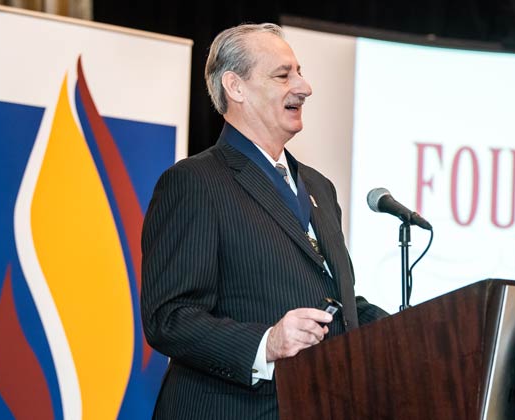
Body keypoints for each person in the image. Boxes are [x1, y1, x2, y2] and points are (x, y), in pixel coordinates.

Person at [141, 23, 387, 419]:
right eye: (283, 74)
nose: (304, 87)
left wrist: (418, 329)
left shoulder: (319, 188)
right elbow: (168, 317)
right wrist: (266, 343)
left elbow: (333, 303)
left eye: (300, 72)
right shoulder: (194, 182)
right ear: (235, 87)